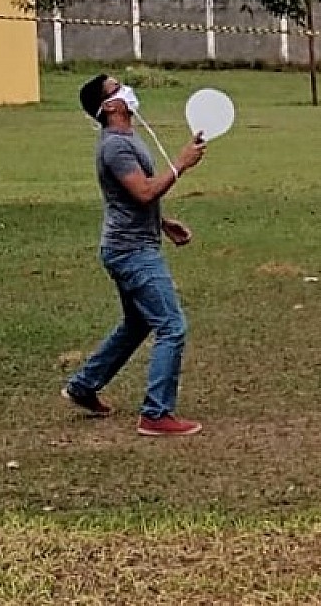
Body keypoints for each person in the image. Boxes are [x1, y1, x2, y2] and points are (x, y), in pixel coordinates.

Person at [62, 73, 208, 436]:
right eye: (117, 88)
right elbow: (142, 192)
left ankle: (84, 385)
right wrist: (181, 164)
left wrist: (164, 223)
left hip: (131, 243)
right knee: (172, 326)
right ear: (109, 106)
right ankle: (156, 414)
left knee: (138, 323)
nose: (127, 90)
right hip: (132, 252)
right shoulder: (115, 146)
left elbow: (131, 200)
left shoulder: (129, 138)